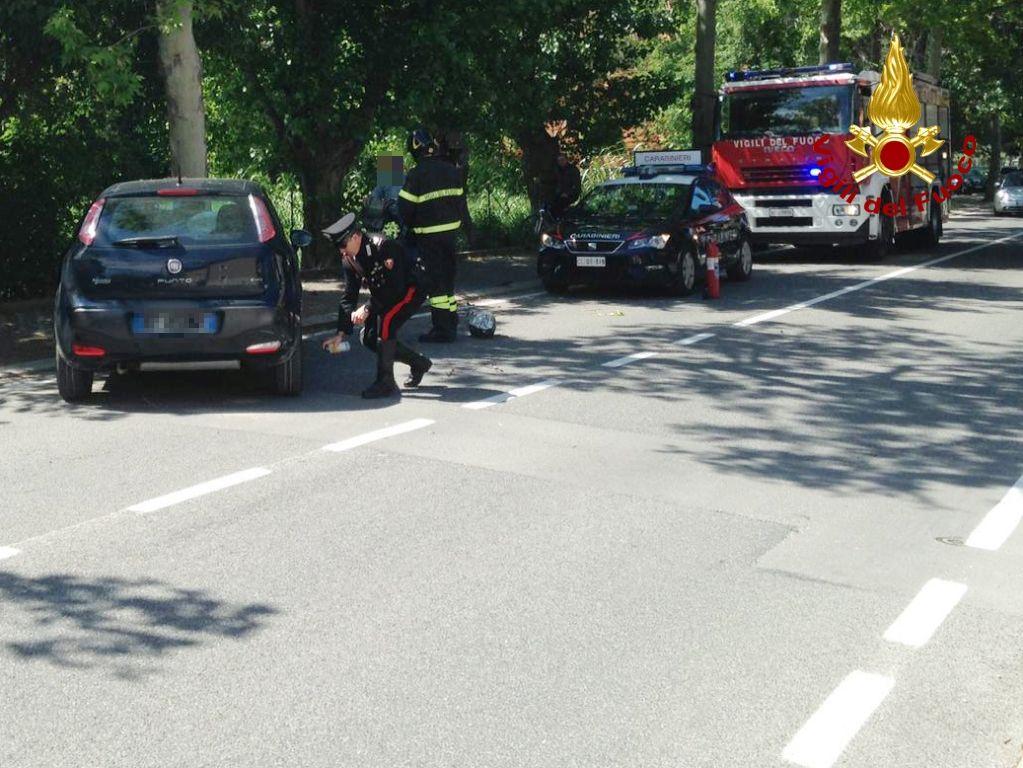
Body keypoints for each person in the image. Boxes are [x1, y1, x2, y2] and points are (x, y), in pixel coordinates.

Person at [320, 213, 432, 399]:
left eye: (342, 245)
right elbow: (349, 296)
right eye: (337, 247)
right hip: (386, 293)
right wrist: (341, 333)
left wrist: (367, 308)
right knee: (369, 338)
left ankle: (385, 382)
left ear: (355, 237)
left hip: (410, 288)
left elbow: (395, 288)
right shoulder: (349, 259)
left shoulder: (383, 247)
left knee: (386, 323)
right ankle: (419, 363)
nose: (341, 251)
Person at [398, 126, 468, 343]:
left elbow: (405, 207)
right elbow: (461, 202)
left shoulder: (417, 174)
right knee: (447, 281)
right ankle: (451, 320)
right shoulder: (451, 169)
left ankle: (442, 329)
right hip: (450, 236)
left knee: (436, 284)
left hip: (429, 237)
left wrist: (407, 227)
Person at [551, 153, 582, 219]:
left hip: (571, 194)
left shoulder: (573, 170)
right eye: (559, 161)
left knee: (561, 206)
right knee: (550, 206)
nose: (561, 162)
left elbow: (577, 186)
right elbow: (552, 181)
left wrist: (567, 193)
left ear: (566, 160)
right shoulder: (557, 170)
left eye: (562, 160)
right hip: (559, 194)